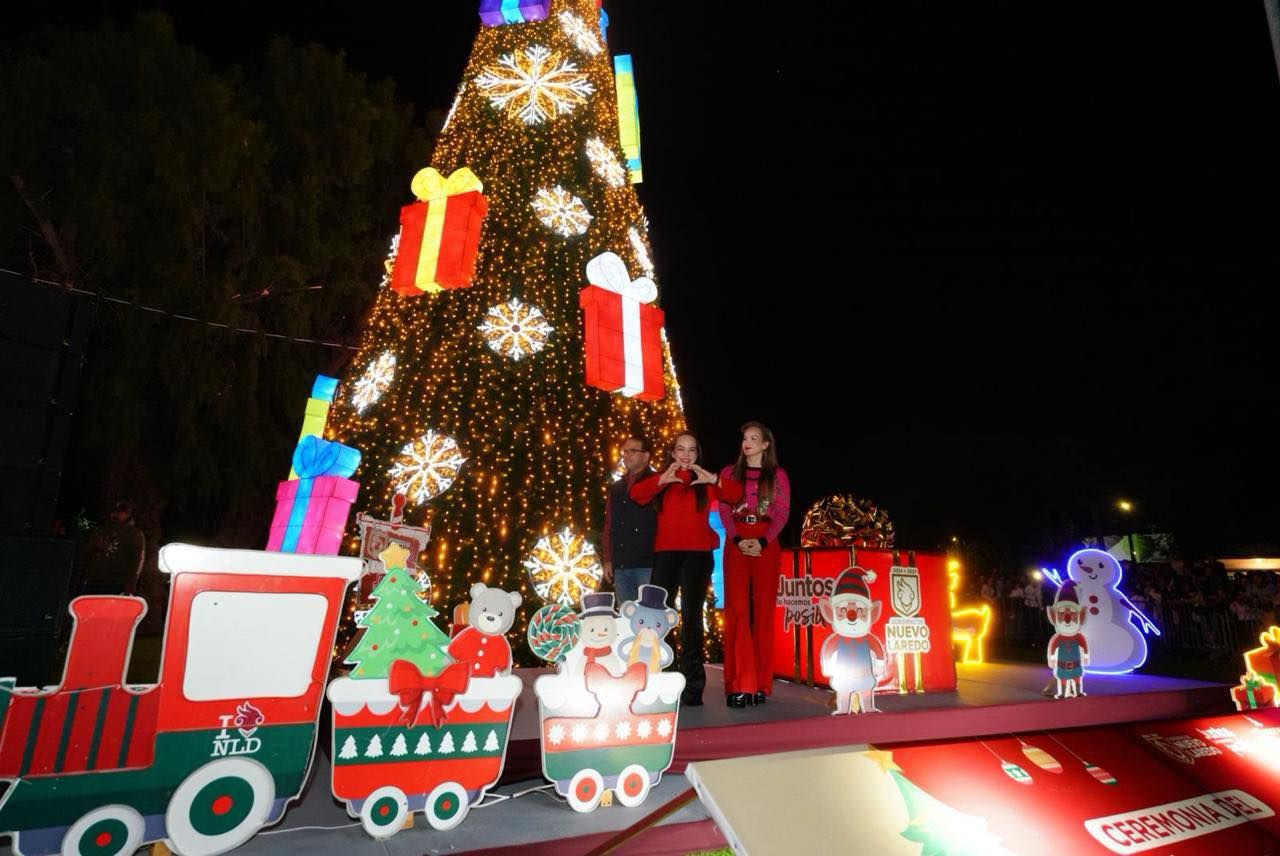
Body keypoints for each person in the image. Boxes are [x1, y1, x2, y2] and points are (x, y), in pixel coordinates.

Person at [630, 432, 742, 706]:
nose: (685, 454)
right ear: (672, 453)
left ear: (697, 454)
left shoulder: (704, 481)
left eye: (691, 449)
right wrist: (661, 479)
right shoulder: (662, 480)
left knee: (692, 619)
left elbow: (736, 494)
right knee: (655, 619)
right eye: (680, 449)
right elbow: (636, 495)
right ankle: (659, 680)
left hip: (698, 556)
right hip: (666, 555)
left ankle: (692, 689)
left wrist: (713, 479)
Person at [718, 422, 790, 708]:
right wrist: (737, 539)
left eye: (753, 438)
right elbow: (724, 507)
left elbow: (783, 513)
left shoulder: (778, 476)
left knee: (763, 613)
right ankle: (739, 683)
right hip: (736, 541)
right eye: (744, 437)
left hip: (766, 543)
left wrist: (762, 541)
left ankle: (760, 683)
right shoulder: (729, 473)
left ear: (765, 445)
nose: (746, 442)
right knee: (736, 611)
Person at [602, 436, 657, 607]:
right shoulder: (617, 487)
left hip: (647, 563)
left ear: (646, 456)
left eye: (632, 451)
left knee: (650, 617)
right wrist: (608, 559)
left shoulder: (657, 483)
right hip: (622, 564)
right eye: (625, 451)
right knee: (626, 619)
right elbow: (609, 524)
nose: (627, 455)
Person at [79, 501, 145, 596]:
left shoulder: (134, 534)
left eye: (121, 511)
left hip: (117, 584)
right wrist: (95, 546)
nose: (116, 514)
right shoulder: (101, 530)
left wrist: (130, 587)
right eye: (115, 511)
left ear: (129, 514)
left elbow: (137, 561)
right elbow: (86, 551)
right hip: (94, 582)